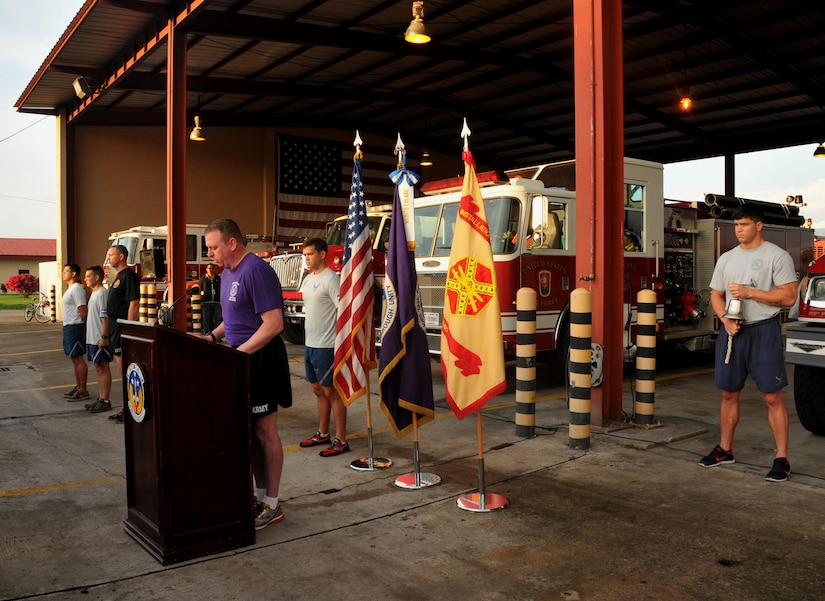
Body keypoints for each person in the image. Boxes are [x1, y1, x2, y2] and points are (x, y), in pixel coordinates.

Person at [200, 218, 292, 530]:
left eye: (213, 247)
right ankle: (258, 495)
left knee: (265, 433)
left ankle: (273, 502)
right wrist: (212, 337)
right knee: (248, 435)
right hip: (240, 358)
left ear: (232, 243)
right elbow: (235, 319)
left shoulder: (256, 270)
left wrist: (241, 353)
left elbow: (274, 323)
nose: (210, 253)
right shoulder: (227, 274)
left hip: (261, 359)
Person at [699, 204, 798, 482]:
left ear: (758, 225)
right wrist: (724, 319)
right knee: (728, 393)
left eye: (744, 225)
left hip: (763, 331)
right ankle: (725, 449)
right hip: (732, 331)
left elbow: (789, 297)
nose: (739, 230)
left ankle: (782, 459)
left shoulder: (776, 256)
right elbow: (716, 294)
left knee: (772, 396)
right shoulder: (727, 258)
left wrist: (749, 292)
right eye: (736, 225)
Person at [297, 238, 349, 457]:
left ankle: (341, 439)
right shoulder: (309, 279)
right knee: (318, 390)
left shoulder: (331, 279)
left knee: (331, 392)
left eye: (310, 254)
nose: (307, 258)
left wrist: (340, 343)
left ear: (322, 254)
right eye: (305, 255)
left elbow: (343, 311)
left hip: (326, 346)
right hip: (310, 344)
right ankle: (323, 433)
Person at [104, 244, 140, 424]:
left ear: (121, 257)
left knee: (124, 366)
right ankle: (127, 406)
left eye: (111, 255)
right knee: (121, 366)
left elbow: (134, 303)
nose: (108, 258)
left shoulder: (129, 276)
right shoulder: (118, 277)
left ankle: (130, 407)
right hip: (113, 325)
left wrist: (129, 328)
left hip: (121, 325)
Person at [82, 265, 113, 414]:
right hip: (92, 338)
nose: (85, 279)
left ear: (97, 277)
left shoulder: (102, 294)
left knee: (103, 367)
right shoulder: (94, 293)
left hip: (99, 338)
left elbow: (105, 318)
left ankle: (105, 400)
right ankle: (101, 399)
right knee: (98, 368)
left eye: (88, 276)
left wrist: (104, 337)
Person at [61, 263, 89, 402]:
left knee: (78, 358)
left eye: (66, 271)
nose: (63, 273)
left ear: (73, 274)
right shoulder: (70, 289)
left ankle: (83, 390)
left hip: (75, 326)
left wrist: (87, 327)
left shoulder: (77, 289)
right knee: (74, 358)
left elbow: (83, 310)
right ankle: (78, 387)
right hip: (68, 326)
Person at [199, 263, 222, 334]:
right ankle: (207, 333)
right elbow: (200, 289)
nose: (211, 270)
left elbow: (221, 289)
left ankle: (216, 334)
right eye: (209, 268)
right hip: (206, 302)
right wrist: (201, 300)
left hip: (216, 302)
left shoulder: (218, 278)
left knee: (218, 319)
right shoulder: (203, 279)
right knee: (206, 319)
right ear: (206, 269)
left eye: (212, 268)